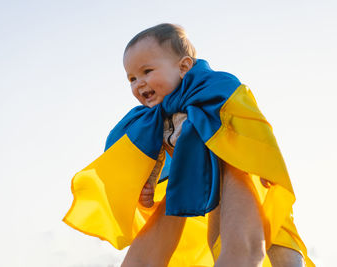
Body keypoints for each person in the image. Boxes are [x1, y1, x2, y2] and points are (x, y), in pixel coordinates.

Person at [63, 23, 314, 267]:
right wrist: (147, 187)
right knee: (208, 244)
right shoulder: (155, 121)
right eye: (131, 78)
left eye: (147, 71)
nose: (138, 83)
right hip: (194, 183)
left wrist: (263, 162)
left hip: (236, 169)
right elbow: (152, 157)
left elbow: (252, 125)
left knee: (256, 250)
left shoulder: (216, 89)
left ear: (183, 67)